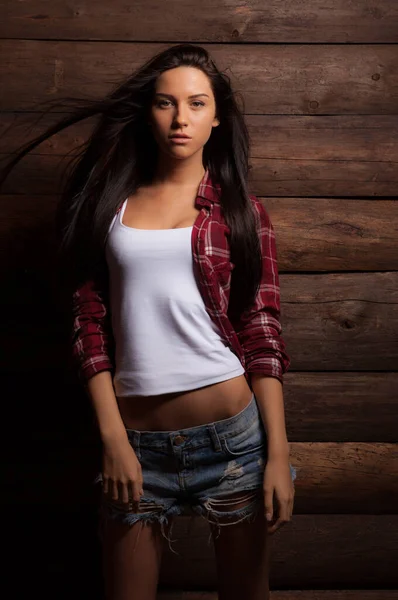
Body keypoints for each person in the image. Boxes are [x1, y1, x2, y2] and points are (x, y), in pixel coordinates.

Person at [1, 43, 296, 600]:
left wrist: (277, 454)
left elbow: (262, 333)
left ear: (217, 117)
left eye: (196, 103)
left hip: (234, 442)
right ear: (148, 112)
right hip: (135, 445)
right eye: (165, 103)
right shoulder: (109, 207)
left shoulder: (240, 212)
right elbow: (88, 324)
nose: (180, 118)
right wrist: (113, 439)